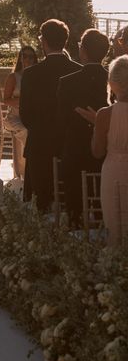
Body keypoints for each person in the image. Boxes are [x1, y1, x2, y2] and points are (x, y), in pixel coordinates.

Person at [19, 19, 81, 212]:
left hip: (39, 144)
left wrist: (39, 129)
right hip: (70, 146)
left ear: (43, 41)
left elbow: (25, 114)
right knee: (70, 204)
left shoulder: (30, 74)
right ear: (65, 41)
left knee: (40, 204)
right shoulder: (78, 71)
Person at [56, 29, 110, 226]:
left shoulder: (67, 82)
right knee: (103, 207)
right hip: (105, 153)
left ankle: (75, 224)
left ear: (83, 51)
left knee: (74, 206)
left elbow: (61, 121)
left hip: (75, 152)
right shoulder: (115, 81)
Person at [84, 56, 128, 245]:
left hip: (114, 174)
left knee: (115, 227)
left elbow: (97, 152)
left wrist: (97, 126)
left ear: (112, 83)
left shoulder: (104, 115)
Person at [2, 46, 38, 178]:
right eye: (24, 56)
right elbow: (5, 100)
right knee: (26, 131)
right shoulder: (14, 77)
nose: (27, 59)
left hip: (32, 117)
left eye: (31, 56)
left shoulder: (37, 77)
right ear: (20, 58)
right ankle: (24, 172)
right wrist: (22, 101)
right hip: (14, 118)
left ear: (35, 59)